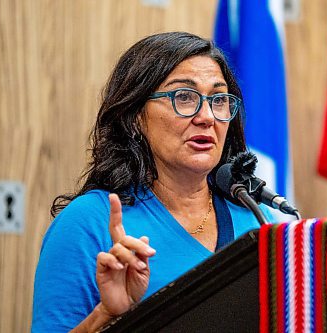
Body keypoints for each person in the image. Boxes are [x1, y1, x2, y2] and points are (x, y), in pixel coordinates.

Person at [31, 31, 272, 332]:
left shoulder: (262, 220)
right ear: (135, 116)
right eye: (184, 97)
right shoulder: (88, 223)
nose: (207, 117)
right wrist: (105, 316)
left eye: (219, 99)